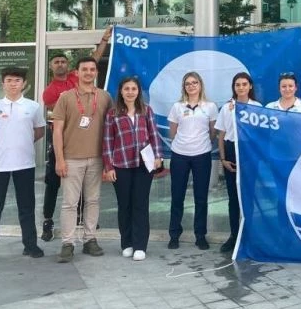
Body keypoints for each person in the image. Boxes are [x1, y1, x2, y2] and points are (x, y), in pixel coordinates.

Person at [40, 26, 112, 242]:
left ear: (70, 66)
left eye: (63, 61)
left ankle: (85, 220)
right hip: (62, 144)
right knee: (53, 184)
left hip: (87, 145)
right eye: (56, 62)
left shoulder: (77, 77)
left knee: (85, 187)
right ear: (51, 66)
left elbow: (94, 58)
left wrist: (104, 40)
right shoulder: (50, 91)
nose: (60, 64)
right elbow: (62, 116)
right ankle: (48, 221)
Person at [0, 67, 46, 267]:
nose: (13, 84)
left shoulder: (33, 107)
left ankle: (30, 245)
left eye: (17, 80)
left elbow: (39, 131)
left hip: (24, 163)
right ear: (2, 84)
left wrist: (20, 143)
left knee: (27, 206)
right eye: (9, 80)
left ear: (24, 84)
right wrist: (3, 145)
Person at [52, 56, 112, 263]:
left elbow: (111, 129)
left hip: (97, 159)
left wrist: (108, 162)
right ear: (76, 73)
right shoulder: (65, 97)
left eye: (92, 69)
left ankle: (90, 239)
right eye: (84, 69)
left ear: (96, 72)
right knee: (70, 203)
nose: (88, 73)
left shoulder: (105, 97)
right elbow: (57, 131)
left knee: (93, 201)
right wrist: (59, 159)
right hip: (71, 159)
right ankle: (68, 243)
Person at [103, 76, 163, 262]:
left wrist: (158, 156)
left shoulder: (146, 110)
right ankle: (127, 243)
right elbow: (107, 141)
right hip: (121, 165)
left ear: (138, 92)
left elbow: (153, 134)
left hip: (144, 165)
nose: (130, 92)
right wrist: (108, 166)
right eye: (126, 89)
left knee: (140, 204)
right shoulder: (112, 114)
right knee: (124, 205)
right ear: (121, 92)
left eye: (133, 89)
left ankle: (140, 245)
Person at [167, 72, 218, 251]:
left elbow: (213, 132)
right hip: (179, 155)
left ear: (200, 84)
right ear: (184, 87)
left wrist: (200, 144)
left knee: (201, 198)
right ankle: (174, 235)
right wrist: (184, 144)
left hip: (202, 155)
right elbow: (172, 132)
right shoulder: (177, 107)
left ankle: (200, 236)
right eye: (187, 83)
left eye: (194, 82)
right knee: (177, 197)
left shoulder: (210, 106)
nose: (191, 86)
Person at [216, 72, 261, 253]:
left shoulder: (258, 107)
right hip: (231, 152)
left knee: (249, 195)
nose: (241, 87)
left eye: (244, 84)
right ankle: (234, 236)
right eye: (237, 84)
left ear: (250, 86)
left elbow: (261, 136)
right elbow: (221, 135)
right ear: (234, 87)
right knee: (233, 198)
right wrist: (223, 159)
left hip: (249, 152)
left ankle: (249, 235)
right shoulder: (227, 108)